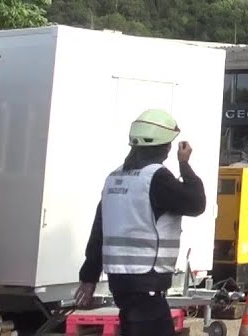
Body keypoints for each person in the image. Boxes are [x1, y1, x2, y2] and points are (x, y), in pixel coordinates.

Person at [74, 109, 206, 336]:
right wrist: (185, 165)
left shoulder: (115, 178)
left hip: (121, 282)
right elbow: (196, 203)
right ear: (163, 147)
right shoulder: (156, 178)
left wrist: (89, 277)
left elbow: (99, 231)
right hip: (147, 282)